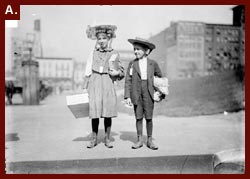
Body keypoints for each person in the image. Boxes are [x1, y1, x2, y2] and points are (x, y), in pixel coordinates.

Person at [83, 24, 124, 149]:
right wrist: (85, 87)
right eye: (99, 39)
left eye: (104, 38)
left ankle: (107, 138)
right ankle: (94, 138)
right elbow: (87, 71)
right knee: (94, 111)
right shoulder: (93, 53)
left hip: (107, 82)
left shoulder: (114, 54)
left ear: (109, 39)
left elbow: (121, 70)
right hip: (95, 82)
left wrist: (117, 73)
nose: (101, 41)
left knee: (107, 111)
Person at [124, 37, 162, 150]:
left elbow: (160, 78)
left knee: (149, 117)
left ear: (147, 51)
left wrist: (159, 92)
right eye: (134, 49)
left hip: (148, 92)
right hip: (136, 92)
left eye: (138, 49)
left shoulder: (153, 64)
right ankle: (139, 139)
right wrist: (127, 96)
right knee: (138, 117)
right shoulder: (132, 64)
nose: (135, 51)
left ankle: (149, 140)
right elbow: (128, 80)